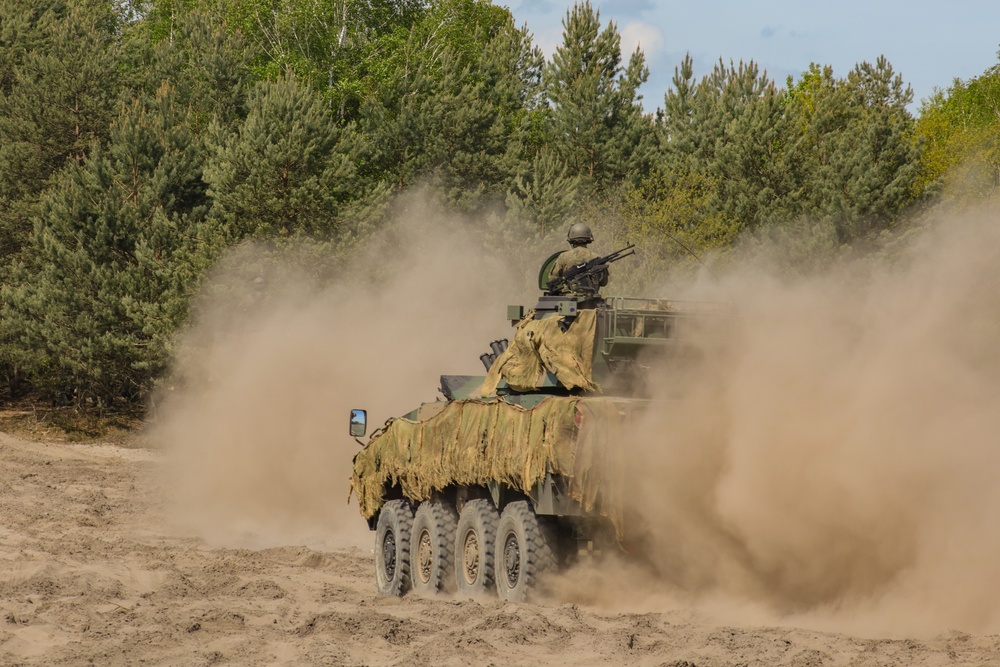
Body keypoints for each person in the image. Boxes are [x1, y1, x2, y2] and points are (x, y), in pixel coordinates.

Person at [549, 222, 609, 296]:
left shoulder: (564, 256)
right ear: (588, 238)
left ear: (571, 239)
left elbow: (552, 278)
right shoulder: (596, 257)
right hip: (591, 299)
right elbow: (604, 282)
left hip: (568, 299)